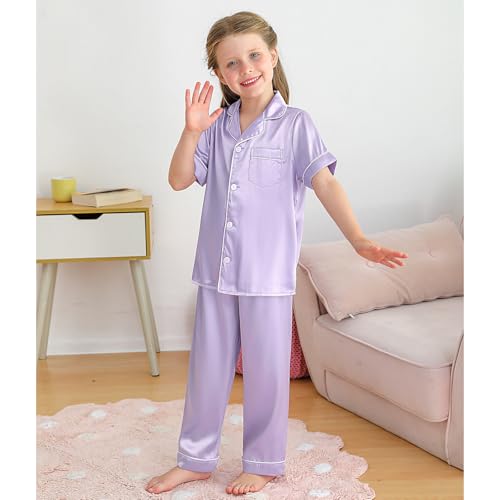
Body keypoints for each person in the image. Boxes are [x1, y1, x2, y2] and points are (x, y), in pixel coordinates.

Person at [146, 10, 408, 497]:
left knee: (266, 372)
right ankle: (195, 460)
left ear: (273, 56)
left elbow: (324, 183)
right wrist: (192, 130)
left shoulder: (295, 125)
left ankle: (263, 462)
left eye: (253, 56)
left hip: (266, 274)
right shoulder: (217, 126)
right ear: (219, 74)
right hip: (216, 271)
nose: (245, 68)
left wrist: (358, 239)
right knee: (206, 371)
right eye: (231, 63)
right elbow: (179, 179)